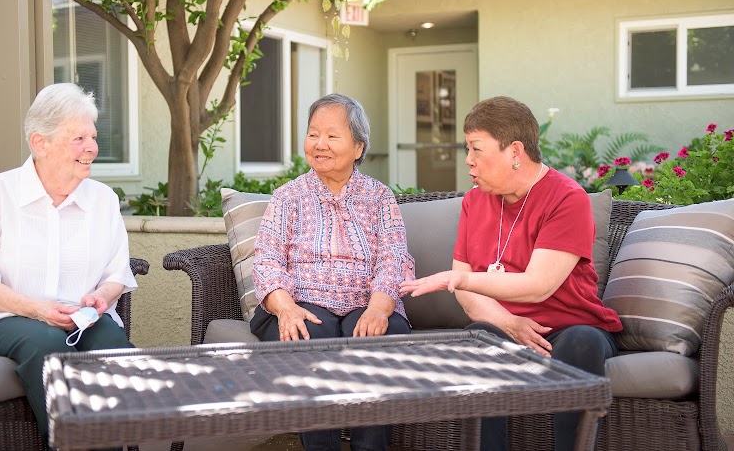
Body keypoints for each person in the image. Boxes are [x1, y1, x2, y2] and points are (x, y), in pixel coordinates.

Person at [400, 96, 621, 451]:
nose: (468, 160)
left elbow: (538, 286)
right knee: (478, 341)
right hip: (502, 325)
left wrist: (461, 280)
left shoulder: (567, 198)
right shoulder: (475, 201)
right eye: (467, 148)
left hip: (568, 327)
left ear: (515, 151)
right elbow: (469, 297)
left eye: (476, 148)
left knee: (583, 343)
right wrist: (508, 324)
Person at [0, 83, 138, 443]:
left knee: (114, 348)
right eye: (79, 138)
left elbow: (117, 273)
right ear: (41, 143)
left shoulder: (103, 199)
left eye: (93, 137)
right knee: (47, 344)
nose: (92, 148)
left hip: (78, 319)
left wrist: (101, 296)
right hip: (1, 319)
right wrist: (37, 309)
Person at [250, 93, 415, 451]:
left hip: (366, 304)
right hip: (303, 304)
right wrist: (285, 307)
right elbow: (266, 260)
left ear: (358, 147)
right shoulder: (287, 197)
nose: (319, 145)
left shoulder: (380, 197)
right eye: (313, 134)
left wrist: (378, 308)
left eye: (332, 136)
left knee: (376, 339)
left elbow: (394, 259)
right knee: (311, 337)